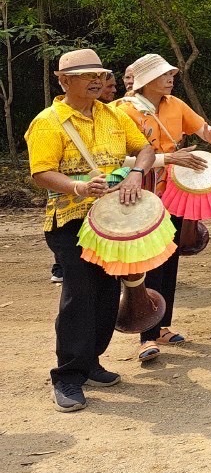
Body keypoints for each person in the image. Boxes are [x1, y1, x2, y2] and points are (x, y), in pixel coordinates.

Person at [27, 49, 155, 412]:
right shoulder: (49, 121)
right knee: (79, 296)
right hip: (71, 223)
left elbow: (144, 149)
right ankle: (67, 376)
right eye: (85, 75)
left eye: (99, 73)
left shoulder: (113, 114)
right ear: (63, 80)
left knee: (106, 291)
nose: (96, 80)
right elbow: (41, 172)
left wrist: (135, 173)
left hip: (112, 220)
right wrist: (77, 187)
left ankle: (92, 361)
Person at [120, 53, 211, 362]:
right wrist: (168, 159)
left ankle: (162, 325)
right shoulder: (124, 111)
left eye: (170, 73)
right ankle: (146, 335)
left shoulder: (176, 105)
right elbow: (118, 160)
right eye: (164, 74)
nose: (170, 78)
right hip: (142, 193)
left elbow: (205, 131)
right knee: (149, 261)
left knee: (170, 259)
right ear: (145, 81)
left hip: (176, 192)